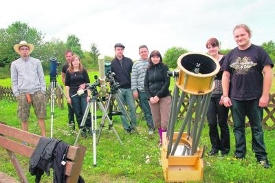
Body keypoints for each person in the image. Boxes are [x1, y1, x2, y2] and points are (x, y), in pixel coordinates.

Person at [222, 24, 273, 168]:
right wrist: (225, 96)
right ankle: (239, 155)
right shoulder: (231, 54)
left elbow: (268, 73)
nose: (239, 38)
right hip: (236, 98)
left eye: (242, 35)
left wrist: (265, 96)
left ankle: (261, 158)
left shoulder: (259, 52)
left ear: (249, 34)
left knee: (257, 128)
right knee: (238, 128)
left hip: (255, 97)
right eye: (236, 36)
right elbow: (226, 75)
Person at [10, 41, 47, 136]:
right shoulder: (15, 64)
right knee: (23, 116)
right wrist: (16, 93)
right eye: (22, 49)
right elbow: (14, 80)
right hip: (22, 92)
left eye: (26, 49)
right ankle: (25, 138)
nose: (24, 51)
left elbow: (41, 76)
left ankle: (44, 136)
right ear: (19, 51)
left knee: (41, 115)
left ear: (29, 50)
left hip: (37, 91)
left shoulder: (36, 62)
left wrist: (42, 90)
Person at [205, 38, 230, 156]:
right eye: (208, 47)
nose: (211, 49)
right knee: (211, 122)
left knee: (222, 122)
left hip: (221, 95)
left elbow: (228, 77)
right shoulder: (207, 61)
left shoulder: (225, 59)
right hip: (209, 96)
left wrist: (225, 95)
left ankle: (225, 149)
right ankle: (215, 147)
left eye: (213, 46)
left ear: (218, 46)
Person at [144, 50, 171, 145]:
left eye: (157, 57)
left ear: (160, 58)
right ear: (150, 58)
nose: (155, 59)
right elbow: (146, 85)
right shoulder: (148, 69)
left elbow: (167, 83)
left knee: (164, 122)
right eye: (153, 57)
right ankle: (162, 140)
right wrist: (150, 97)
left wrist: (158, 96)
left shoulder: (164, 67)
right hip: (152, 99)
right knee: (157, 122)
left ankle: (166, 141)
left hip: (164, 97)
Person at [111, 43, 137, 134]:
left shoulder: (129, 61)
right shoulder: (112, 63)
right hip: (119, 90)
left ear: (123, 50)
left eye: (121, 49)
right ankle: (126, 128)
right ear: (115, 50)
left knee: (132, 108)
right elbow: (110, 78)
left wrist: (134, 88)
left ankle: (133, 126)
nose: (120, 51)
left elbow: (133, 75)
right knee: (122, 110)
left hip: (129, 88)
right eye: (118, 49)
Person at [65, 55, 91, 137]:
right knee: (78, 112)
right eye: (74, 60)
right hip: (73, 94)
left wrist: (89, 95)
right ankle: (82, 129)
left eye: (77, 60)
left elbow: (88, 83)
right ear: (71, 62)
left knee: (85, 110)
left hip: (83, 93)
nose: (75, 62)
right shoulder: (68, 71)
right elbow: (67, 85)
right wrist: (68, 97)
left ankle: (89, 128)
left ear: (79, 61)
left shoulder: (83, 71)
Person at [131, 45, 155, 135]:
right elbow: (133, 78)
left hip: (153, 90)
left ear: (148, 52)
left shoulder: (153, 62)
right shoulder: (136, 64)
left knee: (155, 109)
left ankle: (158, 125)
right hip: (142, 91)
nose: (144, 53)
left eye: (145, 51)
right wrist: (134, 90)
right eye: (142, 52)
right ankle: (151, 127)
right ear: (139, 53)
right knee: (147, 110)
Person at [61, 50, 76, 130]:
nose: (68, 58)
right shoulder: (64, 67)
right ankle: (72, 127)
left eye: (70, 56)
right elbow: (63, 77)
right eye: (67, 56)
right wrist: (66, 84)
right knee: (71, 110)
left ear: (72, 56)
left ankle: (84, 127)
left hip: (78, 89)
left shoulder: (77, 64)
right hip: (69, 90)